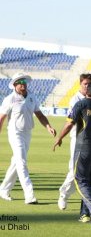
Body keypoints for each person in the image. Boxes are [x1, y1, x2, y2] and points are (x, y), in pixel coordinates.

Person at [53, 82, 91, 226]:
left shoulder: (81, 104)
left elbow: (70, 123)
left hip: (84, 147)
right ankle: (86, 214)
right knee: (90, 182)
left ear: (86, 92)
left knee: (81, 180)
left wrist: (59, 137)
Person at [0, 72, 56, 204]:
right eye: (20, 83)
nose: (23, 85)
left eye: (24, 82)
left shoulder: (32, 97)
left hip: (27, 133)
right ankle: (29, 195)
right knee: (22, 162)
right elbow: (1, 118)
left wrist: (48, 126)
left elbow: (39, 114)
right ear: (14, 85)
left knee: (16, 162)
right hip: (15, 133)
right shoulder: (9, 99)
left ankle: (3, 189)